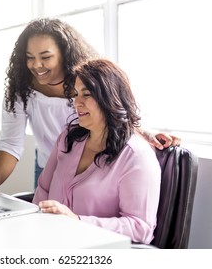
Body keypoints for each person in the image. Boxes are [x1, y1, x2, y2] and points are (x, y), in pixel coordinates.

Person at [0, 17, 179, 194]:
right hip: (47, 167)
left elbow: (114, 114)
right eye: (30, 58)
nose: (36, 65)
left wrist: (147, 134)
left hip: (90, 167)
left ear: (64, 54)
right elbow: (10, 143)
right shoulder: (20, 89)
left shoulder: (85, 83)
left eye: (45, 57)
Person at [33, 59, 161, 244]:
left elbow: (141, 228)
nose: (77, 102)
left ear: (110, 98)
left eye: (86, 94)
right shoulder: (68, 138)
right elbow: (43, 189)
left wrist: (77, 221)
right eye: (76, 94)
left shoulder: (136, 156)